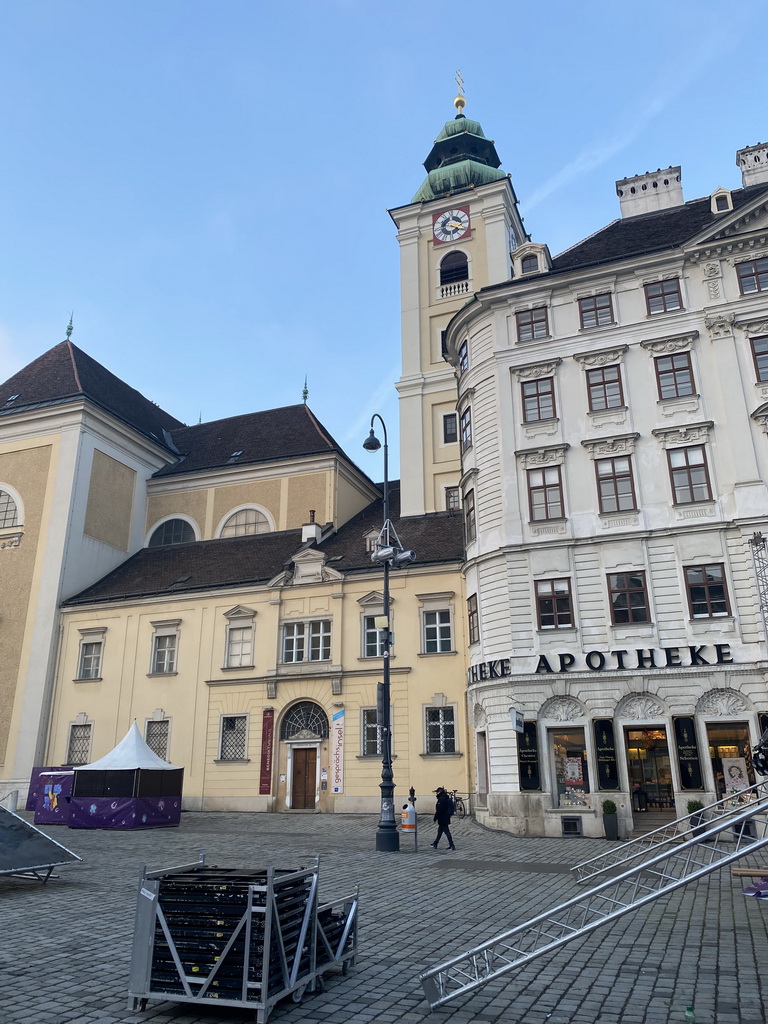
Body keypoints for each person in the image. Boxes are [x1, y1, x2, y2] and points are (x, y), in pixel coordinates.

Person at [430, 786, 456, 851]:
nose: (436, 793)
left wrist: (435, 818)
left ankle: (452, 845)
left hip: (443, 817)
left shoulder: (441, 799)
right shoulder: (445, 797)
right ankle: (435, 843)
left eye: (437, 792)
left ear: (439, 792)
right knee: (440, 831)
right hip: (445, 817)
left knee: (447, 831)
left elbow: (439, 810)